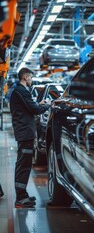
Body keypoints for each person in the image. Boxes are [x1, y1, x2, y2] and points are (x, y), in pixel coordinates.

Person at [10, 67, 50, 208]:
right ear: (26, 77)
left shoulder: (20, 92)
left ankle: (23, 195)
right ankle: (20, 198)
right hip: (25, 133)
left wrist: (39, 104)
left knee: (25, 164)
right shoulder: (21, 91)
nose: (31, 80)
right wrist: (48, 105)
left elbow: (30, 107)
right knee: (23, 165)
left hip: (25, 132)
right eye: (31, 77)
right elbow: (34, 110)